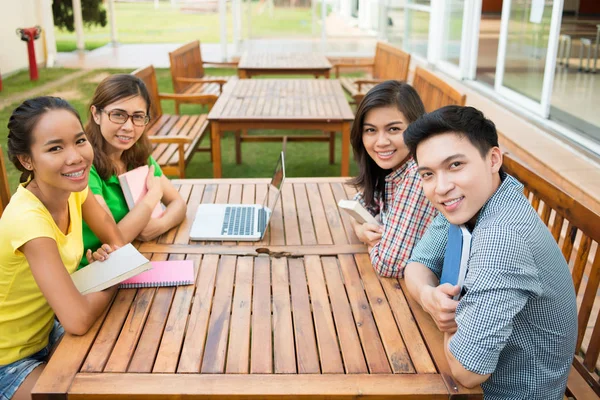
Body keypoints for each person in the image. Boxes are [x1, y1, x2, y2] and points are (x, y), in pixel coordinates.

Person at [403, 105, 577, 399]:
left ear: (493, 159)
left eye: (455, 165)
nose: (441, 187)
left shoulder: (502, 238)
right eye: (428, 174)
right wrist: (429, 297)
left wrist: (451, 316)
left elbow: (467, 371)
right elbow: (417, 263)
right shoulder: (469, 203)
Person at [0, 97, 125, 400]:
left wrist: (108, 265)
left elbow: (117, 242)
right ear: (26, 160)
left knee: (127, 362)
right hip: (8, 359)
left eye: (79, 141)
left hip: (47, 332)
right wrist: (110, 277)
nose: (76, 157)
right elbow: (77, 320)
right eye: (55, 148)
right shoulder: (28, 221)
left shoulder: (72, 191)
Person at [80, 74, 186, 268]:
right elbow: (116, 239)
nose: (128, 127)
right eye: (118, 115)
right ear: (96, 114)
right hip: (95, 268)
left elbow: (178, 204)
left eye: (137, 117)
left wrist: (159, 226)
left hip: (136, 255)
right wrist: (154, 195)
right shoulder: (84, 166)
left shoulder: (137, 154)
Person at [349, 80, 437, 277]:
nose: (381, 142)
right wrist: (360, 229)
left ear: (416, 128)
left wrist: (371, 242)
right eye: (371, 130)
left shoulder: (418, 173)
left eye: (394, 129)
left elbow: (389, 264)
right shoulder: (393, 166)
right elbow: (361, 203)